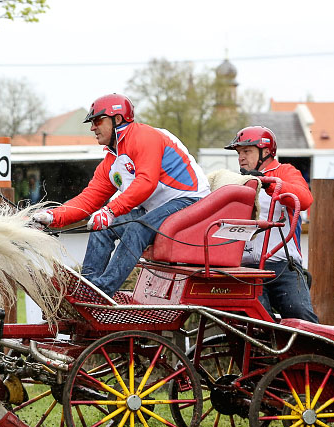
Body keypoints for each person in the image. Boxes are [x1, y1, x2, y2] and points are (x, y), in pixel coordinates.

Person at [31, 93, 210, 295]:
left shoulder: (144, 136)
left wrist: (110, 211)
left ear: (117, 119)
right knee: (102, 228)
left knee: (136, 228)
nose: (92, 128)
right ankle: (88, 287)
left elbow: (146, 182)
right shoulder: (111, 161)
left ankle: (101, 292)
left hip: (190, 201)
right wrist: (52, 216)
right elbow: (88, 200)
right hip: (158, 209)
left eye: (98, 121)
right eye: (91, 122)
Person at [225, 125, 318, 322]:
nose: (241, 157)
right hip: (245, 268)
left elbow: (305, 199)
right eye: (239, 153)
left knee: (301, 315)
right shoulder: (237, 180)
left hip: (283, 264)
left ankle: (311, 344)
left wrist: (270, 183)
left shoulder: (285, 171)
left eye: (246, 151)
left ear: (266, 152)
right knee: (254, 323)